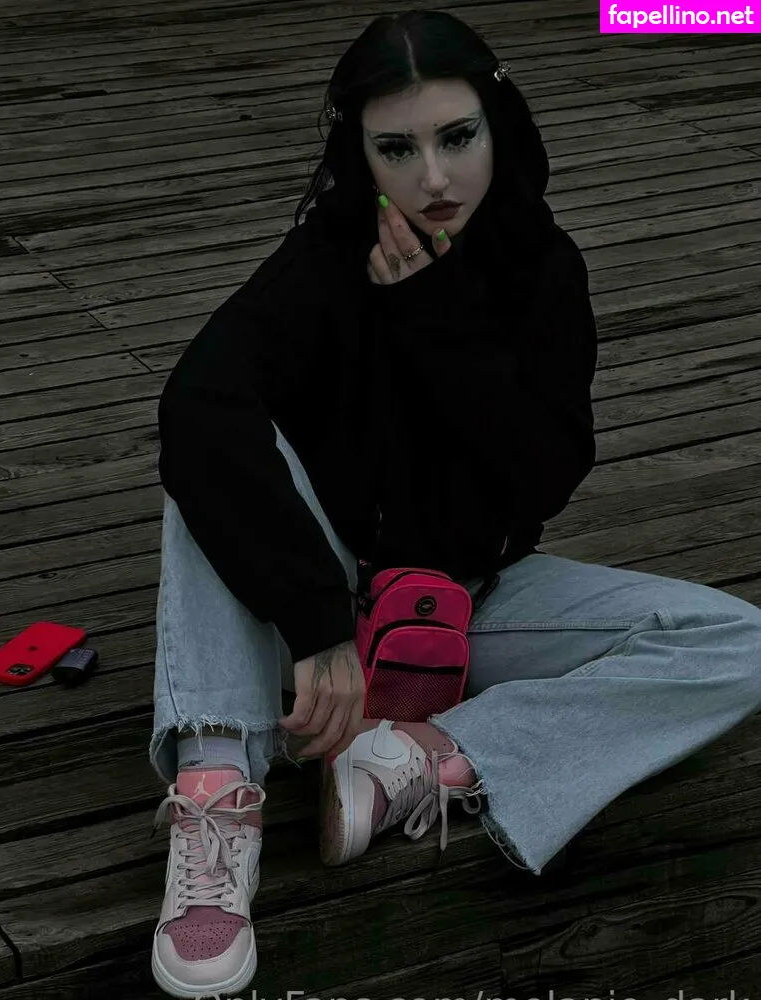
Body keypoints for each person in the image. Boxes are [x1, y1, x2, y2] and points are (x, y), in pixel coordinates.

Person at [147, 9, 761, 999]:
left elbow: (542, 475)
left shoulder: (541, 268)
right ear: (359, 152)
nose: (434, 177)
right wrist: (315, 622)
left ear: (498, 123)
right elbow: (195, 405)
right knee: (215, 447)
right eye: (397, 148)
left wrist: (438, 324)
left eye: (457, 137)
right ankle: (215, 792)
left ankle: (424, 755)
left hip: (462, 598)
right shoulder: (326, 260)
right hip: (319, 604)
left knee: (739, 643)